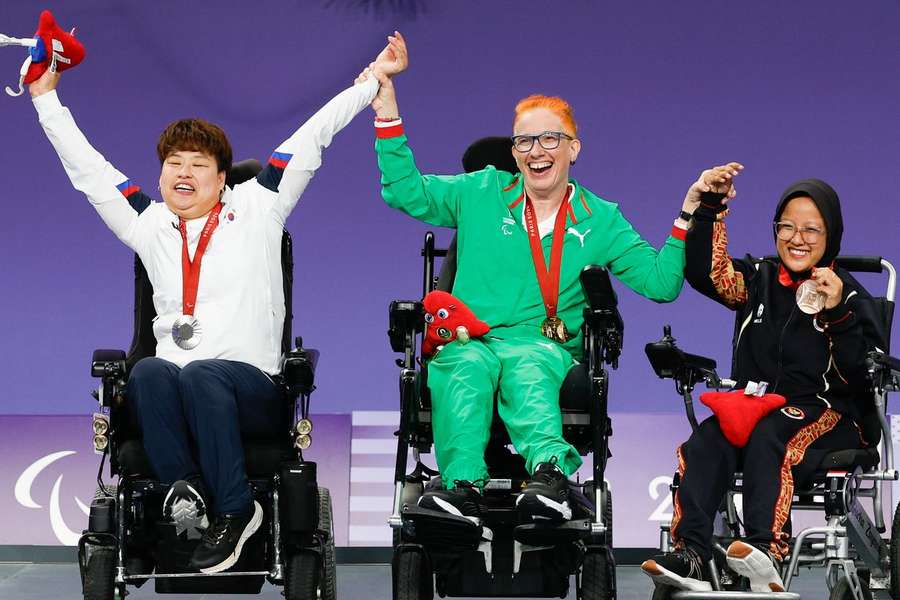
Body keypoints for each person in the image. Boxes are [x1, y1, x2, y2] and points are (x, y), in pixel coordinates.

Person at [27, 52, 389, 573]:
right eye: (174, 163)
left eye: (198, 164)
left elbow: (314, 135)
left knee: (201, 373)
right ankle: (187, 496)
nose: (184, 173)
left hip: (252, 390)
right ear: (160, 175)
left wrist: (369, 85)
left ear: (222, 179)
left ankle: (238, 511)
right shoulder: (147, 224)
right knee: (150, 370)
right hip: (177, 389)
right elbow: (87, 169)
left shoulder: (260, 207)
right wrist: (45, 98)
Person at [360, 33, 725, 523]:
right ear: (514, 153)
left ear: (573, 147)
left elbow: (661, 284)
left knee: (527, 363)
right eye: (525, 141)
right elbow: (404, 192)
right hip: (471, 339)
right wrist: (387, 107)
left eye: (550, 138)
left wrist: (687, 214)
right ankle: (460, 490)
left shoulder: (602, 218)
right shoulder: (481, 192)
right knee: (461, 366)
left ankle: (549, 477)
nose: (537, 150)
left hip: (543, 346)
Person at [641, 174, 887, 593]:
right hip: (754, 408)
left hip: (829, 415)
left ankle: (765, 553)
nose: (797, 238)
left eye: (812, 229)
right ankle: (693, 556)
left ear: (831, 234)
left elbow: (860, 375)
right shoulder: (758, 280)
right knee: (706, 441)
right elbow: (706, 273)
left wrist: (837, 316)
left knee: (771, 433)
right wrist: (710, 208)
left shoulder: (849, 296)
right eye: (787, 226)